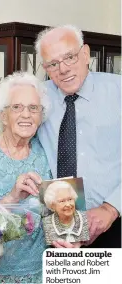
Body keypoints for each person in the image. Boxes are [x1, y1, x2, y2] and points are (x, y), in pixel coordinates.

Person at [35, 25, 121, 248]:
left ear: (85, 55)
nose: (62, 69)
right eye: (53, 64)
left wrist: (111, 208)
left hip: (116, 222)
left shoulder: (118, 92)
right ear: (45, 67)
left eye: (69, 57)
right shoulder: (37, 99)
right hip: (59, 229)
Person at [0, 72, 52, 283]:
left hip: (41, 272)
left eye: (33, 108)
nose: (26, 114)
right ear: (3, 115)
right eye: (17, 107)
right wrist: (11, 198)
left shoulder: (47, 153)